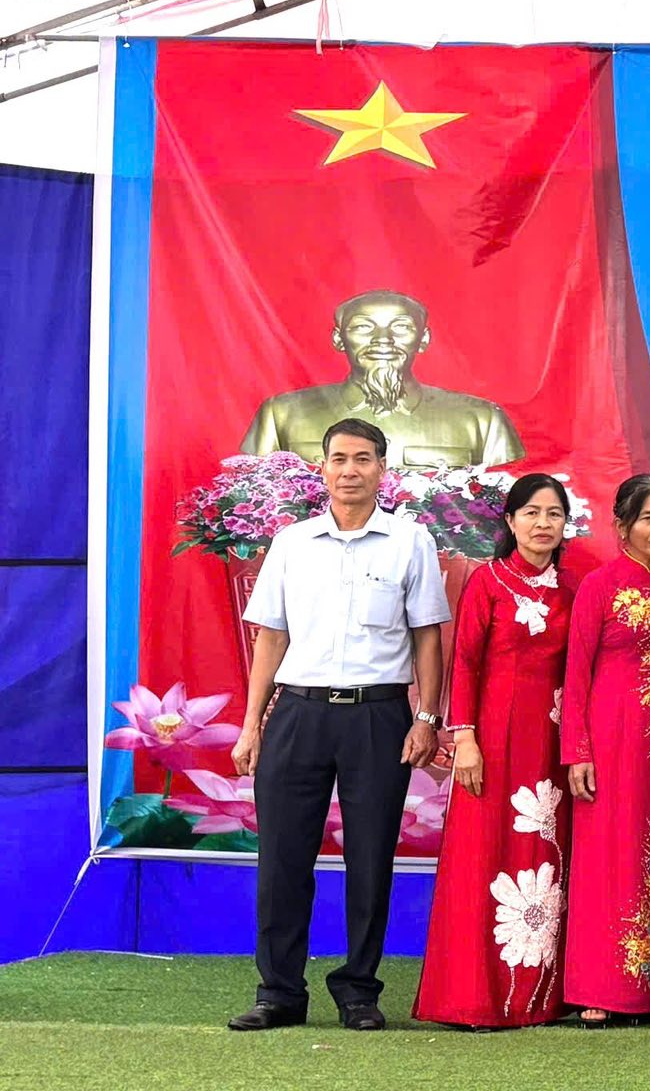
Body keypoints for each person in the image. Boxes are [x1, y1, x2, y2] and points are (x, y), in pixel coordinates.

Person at [227, 417, 447, 1032]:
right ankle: (279, 992)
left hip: (379, 716)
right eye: (339, 459)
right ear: (321, 468)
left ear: (382, 468)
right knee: (282, 858)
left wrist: (427, 717)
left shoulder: (410, 541)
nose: (350, 470)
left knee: (371, 859)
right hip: (298, 713)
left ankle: (359, 991)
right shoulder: (292, 542)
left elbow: (428, 637)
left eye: (363, 459)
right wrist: (252, 725)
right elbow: (271, 637)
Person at [414, 472, 578, 1028]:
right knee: (482, 855)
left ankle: (537, 998)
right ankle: (471, 997)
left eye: (553, 514)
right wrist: (464, 738)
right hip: (490, 743)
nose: (542, 523)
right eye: (531, 512)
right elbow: (464, 662)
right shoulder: (487, 582)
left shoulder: (572, 591)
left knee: (542, 858)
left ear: (565, 524)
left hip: (550, 744)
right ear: (510, 521)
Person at [560, 474, 650, 1025]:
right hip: (612, 740)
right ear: (622, 525)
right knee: (609, 854)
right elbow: (576, 674)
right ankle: (601, 988)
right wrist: (577, 750)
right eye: (647, 518)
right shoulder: (600, 585)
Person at [240, 289, 523, 468]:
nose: (383, 340)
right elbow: (254, 505)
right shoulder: (281, 415)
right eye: (363, 327)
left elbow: (506, 511)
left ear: (423, 339)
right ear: (338, 339)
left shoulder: (483, 421)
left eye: (401, 327)